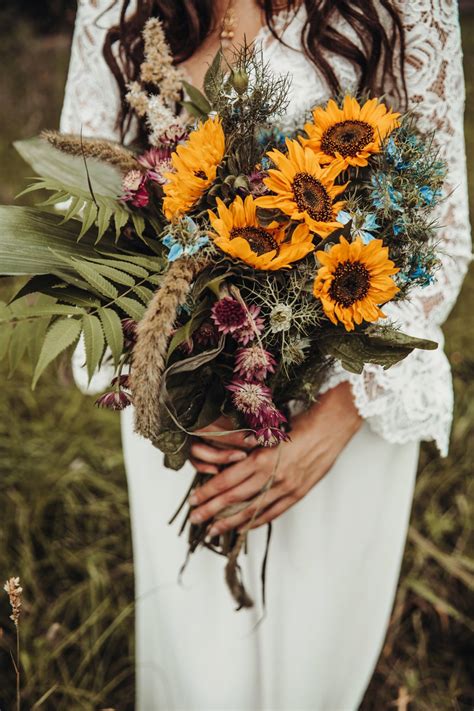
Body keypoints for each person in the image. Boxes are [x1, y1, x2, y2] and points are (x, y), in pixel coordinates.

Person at [62, 1, 471, 709]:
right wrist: (181, 394)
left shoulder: (411, 7)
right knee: (198, 668)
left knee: (312, 667)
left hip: (342, 415)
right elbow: (82, 208)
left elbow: (442, 238)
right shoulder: (116, 7)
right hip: (186, 411)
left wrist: (340, 416)